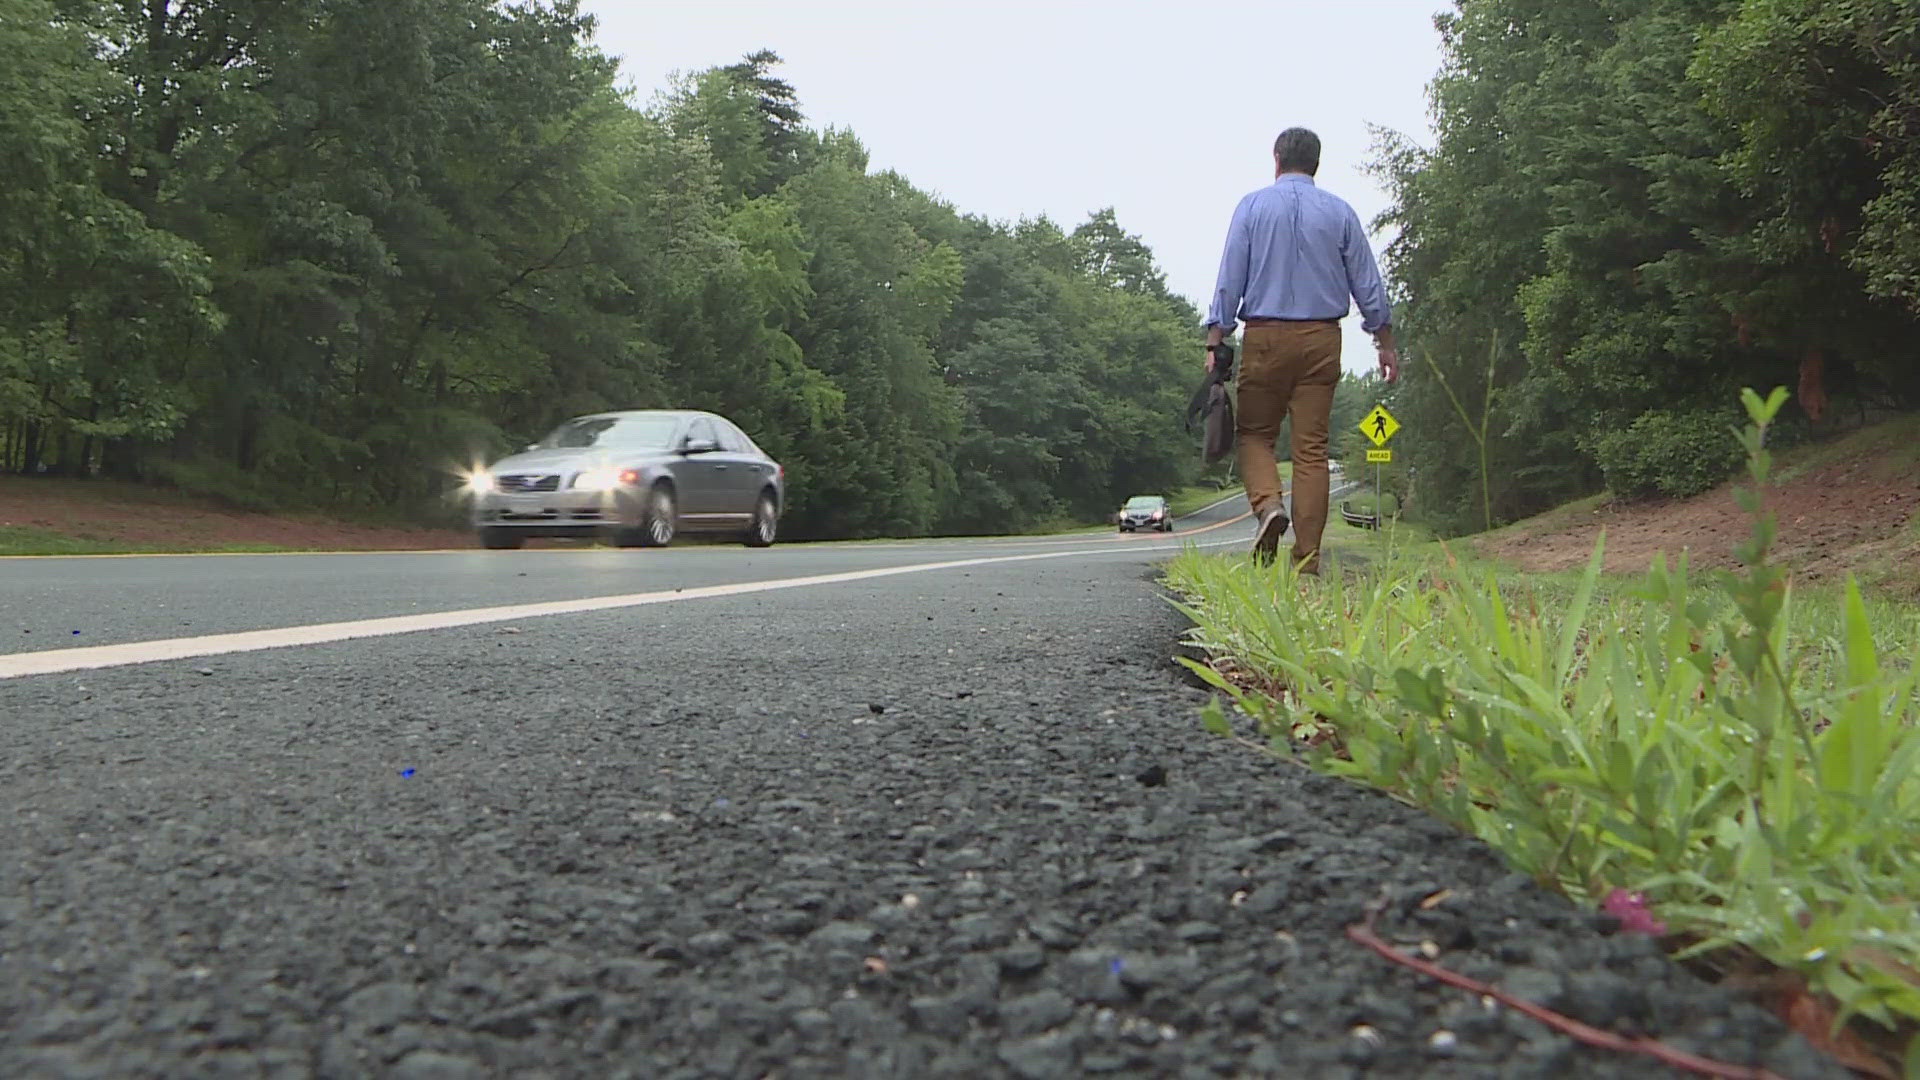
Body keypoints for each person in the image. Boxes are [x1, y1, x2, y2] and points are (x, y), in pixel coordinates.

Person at [1204, 127, 1398, 573]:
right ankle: (1306, 562)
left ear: (1276, 160)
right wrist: (1384, 342)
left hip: (1266, 337)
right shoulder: (1340, 213)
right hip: (1322, 339)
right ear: (1316, 163)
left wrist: (1217, 339)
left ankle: (1270, 506)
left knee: (1255, 435)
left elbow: (1230, 277)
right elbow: (1368, 284)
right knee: (1312, 449)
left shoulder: (1251, 207)